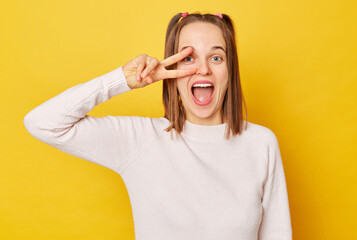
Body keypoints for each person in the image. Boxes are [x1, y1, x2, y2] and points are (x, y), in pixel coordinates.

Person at [24, 12, 292, 240]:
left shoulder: (261, 143)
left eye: (216, 58)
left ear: (229, 71)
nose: (202, 70)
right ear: (171, 71)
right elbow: (42, 123)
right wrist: (122, 80)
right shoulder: (139, 141)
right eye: (188, 57)